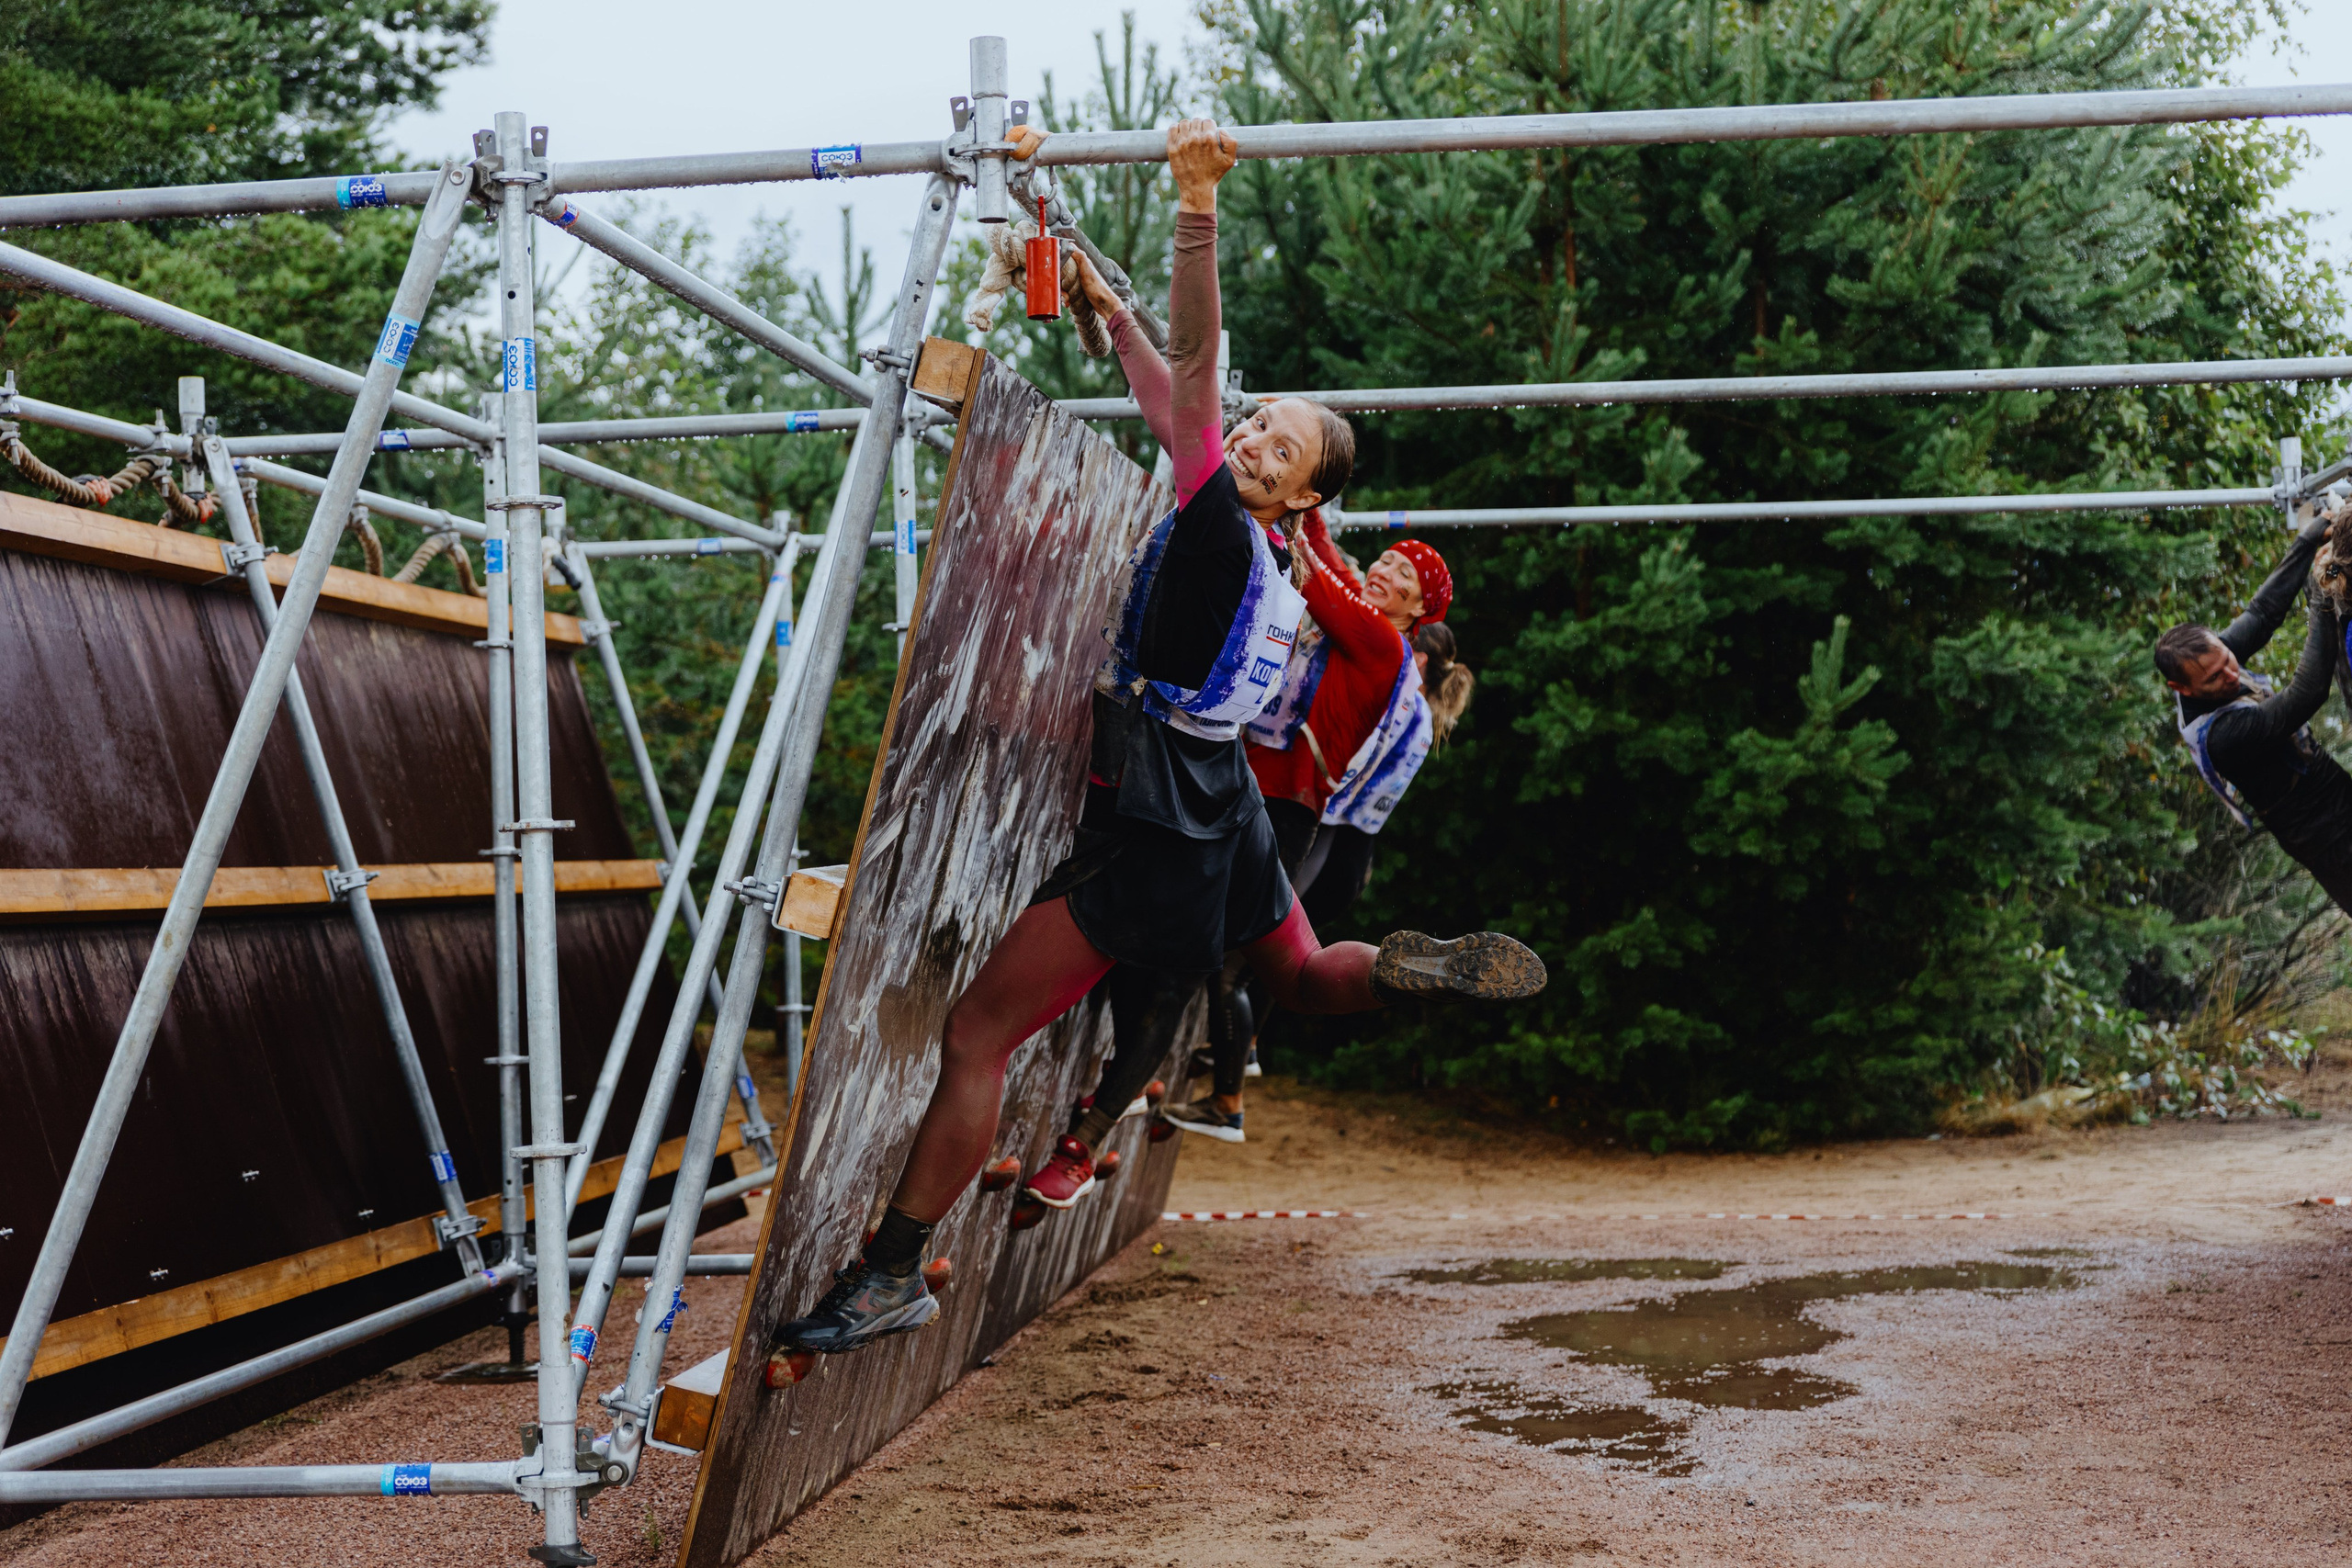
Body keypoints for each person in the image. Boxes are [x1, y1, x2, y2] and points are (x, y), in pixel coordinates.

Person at [769, 118, 1546, 1364]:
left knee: (978, 1032)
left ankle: (889, 1273)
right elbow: (1175, 395)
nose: (1246, 437)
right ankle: (1395, 967)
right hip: (1226, 797)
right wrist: (1104, 312)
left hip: (1159, 832)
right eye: (1253, 427)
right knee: (1292, 972)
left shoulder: (1220, 528)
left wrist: (1195, 208)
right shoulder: (1286, 560)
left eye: (1275, 444)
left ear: (1301, 495)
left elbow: (1190, 376)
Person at [1162, 529, 1463, 1140]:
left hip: (1314, 830)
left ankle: (1227, 1092)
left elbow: (1324, 583)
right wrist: (1313, 516)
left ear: (1420, 620)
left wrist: (1285, 514)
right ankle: (1235, 1054)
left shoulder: (1380, 643)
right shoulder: (1404, 675)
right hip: (1332, 840)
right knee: (1263, 966)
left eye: (1403, 572)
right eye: (1385, 559)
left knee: (1235, 963)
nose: (1383, 570)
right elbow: (1333, 570)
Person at [2157, 498, 2351, 908]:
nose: (2230, 674)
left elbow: (2263, 612)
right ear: (2183, 687)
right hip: (2319, 830)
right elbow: (2307, 694)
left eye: (2228, 660)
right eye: (2215, 678)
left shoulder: (2213, 657)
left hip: (2329, 784)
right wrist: (2320, 595)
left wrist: (2309, 538)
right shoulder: (2221, 738)